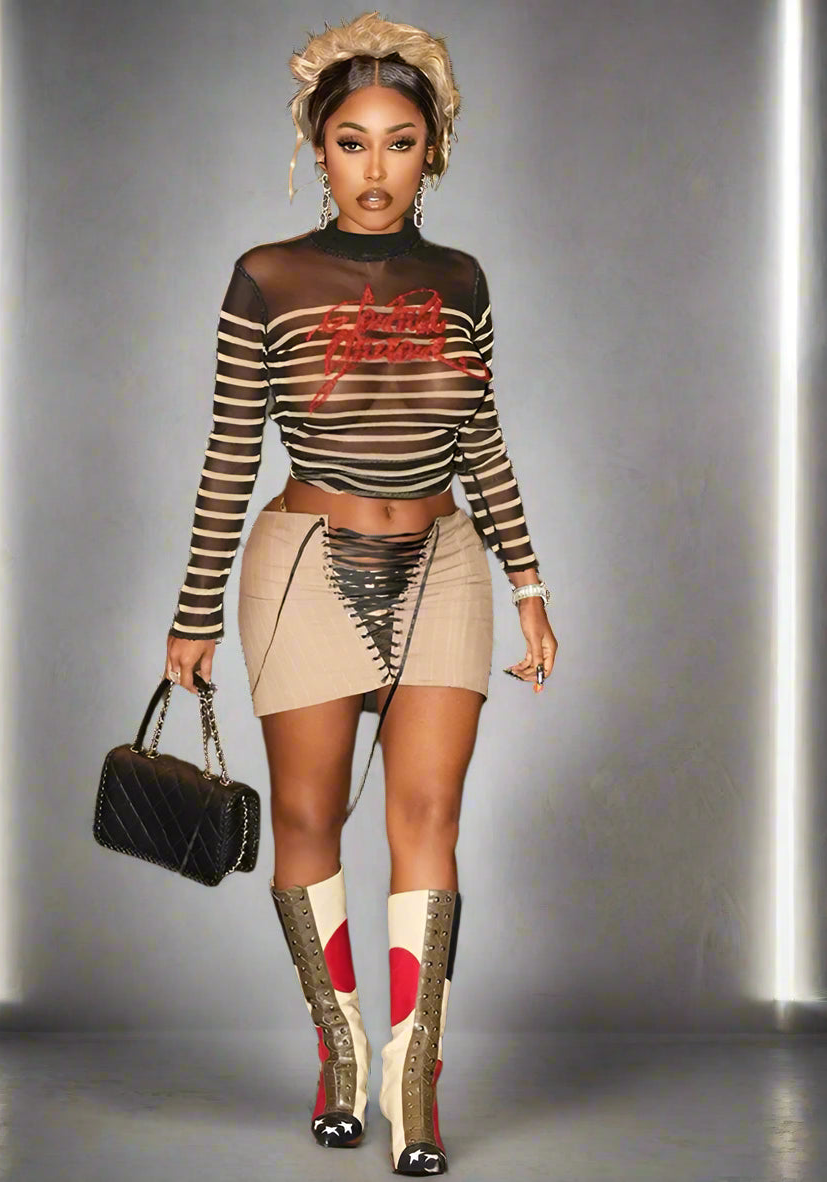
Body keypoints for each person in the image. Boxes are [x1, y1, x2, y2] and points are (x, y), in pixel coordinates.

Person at [163, 11, 558, 1176]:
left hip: (443, 563)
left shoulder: (460, 280)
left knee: (428, 817)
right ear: (316, 148)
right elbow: (230, 451)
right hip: (303, 565)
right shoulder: (266, 277)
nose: (373, 168)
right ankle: (338, 1053)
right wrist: (193, 611)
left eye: (398, 142)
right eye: (350, 142)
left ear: (432, 151)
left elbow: (481, 440)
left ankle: (411, 1079)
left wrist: (528, 585)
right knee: (307, 818)